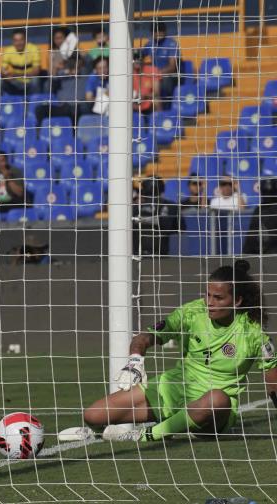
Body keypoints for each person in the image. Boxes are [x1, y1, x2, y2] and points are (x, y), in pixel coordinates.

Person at [64, 261, 277, 442]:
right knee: (93, 415)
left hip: (212, 411)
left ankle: (148, 435)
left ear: (237, 301)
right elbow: (145, 337)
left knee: (217, 399)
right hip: (174, 390)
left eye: (218, 298)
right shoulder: (193, 312)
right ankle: (146, 426)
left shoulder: (253, 334)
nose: (209, 303)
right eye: (207, 295)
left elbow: (272, 379)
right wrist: (135, 361)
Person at [132, 176, 180, 255]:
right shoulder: (172, 206)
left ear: (144, 190)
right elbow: (181, 228)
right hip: (165, 256)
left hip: (139, 255)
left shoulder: (135, 207)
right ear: (162, 189)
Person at [141, 21, 180, 101]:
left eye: (160, 30)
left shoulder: (172, 44)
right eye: (155, 31)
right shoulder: (149, 44)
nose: (158, 33)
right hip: (153, 75)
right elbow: (139, 58)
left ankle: (161, 108)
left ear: (164, 31)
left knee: (164, 81)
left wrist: (157, 73)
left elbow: (172, 67)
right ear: (152, 33)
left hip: (167, 76)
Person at [0, 28, 43, 96]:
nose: (19, 43)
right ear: (13, 41)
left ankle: (34, 104)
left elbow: (36, 72)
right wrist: (5, 75)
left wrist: (14, 75)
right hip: (14, 82)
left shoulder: (34, 49)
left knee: (36, 80)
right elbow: (2, 71)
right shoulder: (8, 51)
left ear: (25, 40)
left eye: (21, 40)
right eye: (16, 40)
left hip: (29, 82)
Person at [243, 177, 277, 255]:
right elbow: (252, 236)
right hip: (262, 254)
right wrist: (247, 253)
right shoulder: (259, 210)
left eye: (271, 192)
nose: (268, 194)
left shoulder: (259, 209)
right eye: (266, 192)